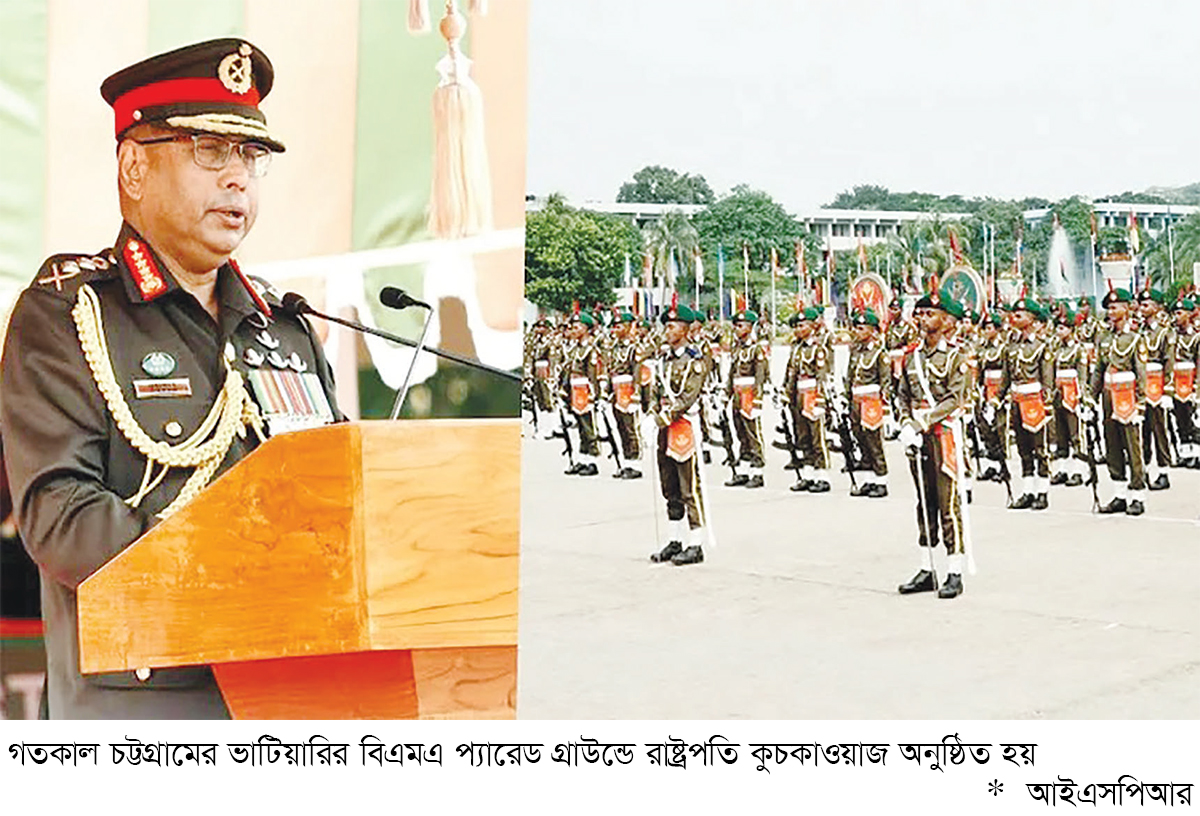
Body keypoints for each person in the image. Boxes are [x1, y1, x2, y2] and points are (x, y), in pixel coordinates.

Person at [0, 39, 342, 719]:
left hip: (297, 702)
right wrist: (233, 575)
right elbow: (60, 514)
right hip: (145, 715)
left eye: (250, 155)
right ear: (134, 166)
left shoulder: (288, 326)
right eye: (211, 151)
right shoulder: (70, 312)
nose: (238, 177)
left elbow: (337, 500)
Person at [896, 291, 970, 599]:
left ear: (947, 321)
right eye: (921, 313)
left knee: (947, 502)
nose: (924, 319)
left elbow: (955, 398)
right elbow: (901, 394)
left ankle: (955, 570)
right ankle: (927, 568)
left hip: (944, 434)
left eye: (931, 314)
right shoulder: (911, 356)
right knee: (923, 501)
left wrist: (921, 421)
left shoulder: (956, 356)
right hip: (918, 436)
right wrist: (903, 422)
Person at [648, 305, 710, 566]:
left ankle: (696, 544)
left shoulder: (695, 362)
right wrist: (649, 416)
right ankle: (675, 540)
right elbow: (654, 392)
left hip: (683, 427)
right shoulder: (663, 361)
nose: (667, 330)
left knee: (688, 487)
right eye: (666, 325)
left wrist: (660, 418)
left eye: (672, 326)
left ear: (685, 330)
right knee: (669, 485)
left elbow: (687, 397)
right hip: (665, 428)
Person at [1090, 288, 1147, 515]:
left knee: (1132, 446)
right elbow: (1098, 370)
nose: (1111, 311)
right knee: (1112, 444)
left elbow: (1141, 372)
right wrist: (1089, 398)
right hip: (1108, 396)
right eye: (1109, 308)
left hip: (1128, 395)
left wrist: (1141, 403)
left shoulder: (1135, 339)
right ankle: (1119, 494)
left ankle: (1137, 495)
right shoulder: (1104, 339)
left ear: (1127, 308)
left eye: (1115, 307)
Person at [999, 297, 1054, 510]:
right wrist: (996, 398)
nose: (1014, 318)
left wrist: (1047, 404)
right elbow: (1005, 376)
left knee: (1039, 448)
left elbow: (1047, 379)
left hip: (1034, 402)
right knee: (1023, 448)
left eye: (1020, 315)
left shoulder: (1042, 347)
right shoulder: (1011, 346)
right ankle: (1028, 490)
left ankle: (1042, 492)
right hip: (1016, 401)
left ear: (1031, 319)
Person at [845, 308, 890, 497]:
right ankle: (868, 479)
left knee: (873, 442)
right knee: (860, 440)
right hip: (856, 401)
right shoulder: (856, 352)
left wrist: (884, 408)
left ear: (872, 330)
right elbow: (850, 377)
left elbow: (886, 381)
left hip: (871, 402)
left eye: (862, 328)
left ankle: (881, 481)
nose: (857, 331)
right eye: (856, 328)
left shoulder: (880, 353)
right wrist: (845, 399)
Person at [725, 310, 770, 488]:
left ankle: (758, 473)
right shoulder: (736, 348)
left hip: (749, 394)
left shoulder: (756, 349)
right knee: (740, 433)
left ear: (750, 327)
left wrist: (758, 400)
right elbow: (731, 373)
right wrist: (726, 394)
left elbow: (760, 376)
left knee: (753, 434)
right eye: (735, 325)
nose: (737, 329)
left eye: (741, 325)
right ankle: (743, 471)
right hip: (737, 394)